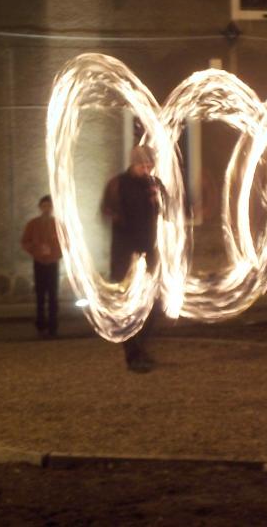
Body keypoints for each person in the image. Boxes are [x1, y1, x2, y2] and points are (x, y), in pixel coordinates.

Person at [101, 144, 164, 373]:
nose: (147, 170)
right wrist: (120, 219)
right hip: (125, 254)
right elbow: (107, 210)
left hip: (149, 251)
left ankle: (142, 349)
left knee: (154, 304)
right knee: (128, 306)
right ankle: (132, 356)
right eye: (143, 166)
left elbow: (170, 209)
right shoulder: (118, 185)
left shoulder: (153, 185)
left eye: (150, 166)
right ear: (133, 163)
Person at [21, 195, 62, 339]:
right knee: (40, 294)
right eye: (44, 206)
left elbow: (66, 243)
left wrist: (54, 252)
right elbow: (25, 241)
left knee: (53, 295)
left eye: (49, 206)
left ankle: (52, 326)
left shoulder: (58, 224)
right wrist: (37, 249)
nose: (46, 209)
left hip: (52, 263)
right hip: (39, 262)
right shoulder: (33, 224)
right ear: (40, 207)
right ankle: (40, 325)